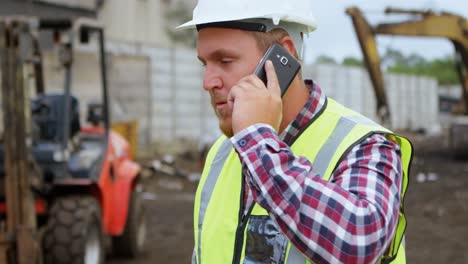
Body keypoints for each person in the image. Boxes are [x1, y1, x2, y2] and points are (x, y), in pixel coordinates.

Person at [177, 0, 413, 263]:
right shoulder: (221, 154)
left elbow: (360, 243)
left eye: (225, 60)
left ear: (282, 57)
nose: (208, 82)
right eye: (204, 64)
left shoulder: (366, 146)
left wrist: (258, 143)